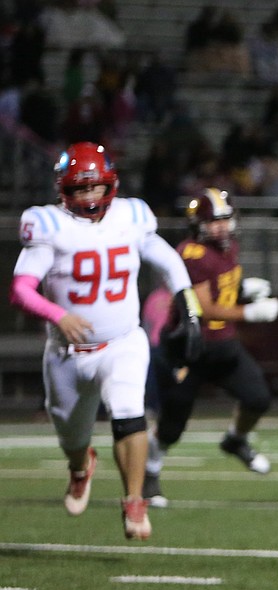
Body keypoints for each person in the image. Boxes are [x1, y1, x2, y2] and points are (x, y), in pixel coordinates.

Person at [8, 142, 202, 540]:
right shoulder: (49, 225)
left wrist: (189, 304)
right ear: (64, 190)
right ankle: (81, 467)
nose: (90, 197)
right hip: (66, 354)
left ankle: (134, 501)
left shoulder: (131, 216)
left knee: (129, 413)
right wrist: (59, 315)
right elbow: (21, 290)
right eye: (80, 189)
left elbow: (165, 258)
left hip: (122, 343)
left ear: (111, 184)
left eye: (96, 187)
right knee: (72, 438)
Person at [144, 188, 278, 507]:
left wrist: (243, 288)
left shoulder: (227, 246)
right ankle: (150, 476)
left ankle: (235, 440)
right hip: (189, 348)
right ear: (198, 224)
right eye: (213, 221)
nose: (220, 227)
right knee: (172, 426)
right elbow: (204, 307)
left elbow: (223, 286)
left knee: (258, 398)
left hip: (222, 346)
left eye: (224, 219)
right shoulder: (193, 254)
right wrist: (250, 312)